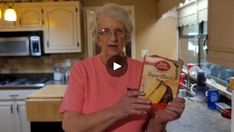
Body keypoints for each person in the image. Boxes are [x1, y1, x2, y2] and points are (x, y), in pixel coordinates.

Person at [60, 3, 185, 132]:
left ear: (126, 36)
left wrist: (160, 121)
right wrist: (117, 111)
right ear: (98, 37)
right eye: (105, 31)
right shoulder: (81, 70)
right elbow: (70, 126)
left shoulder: (143, 71)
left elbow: (150, 129)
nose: (113, 38)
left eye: (119, 31)